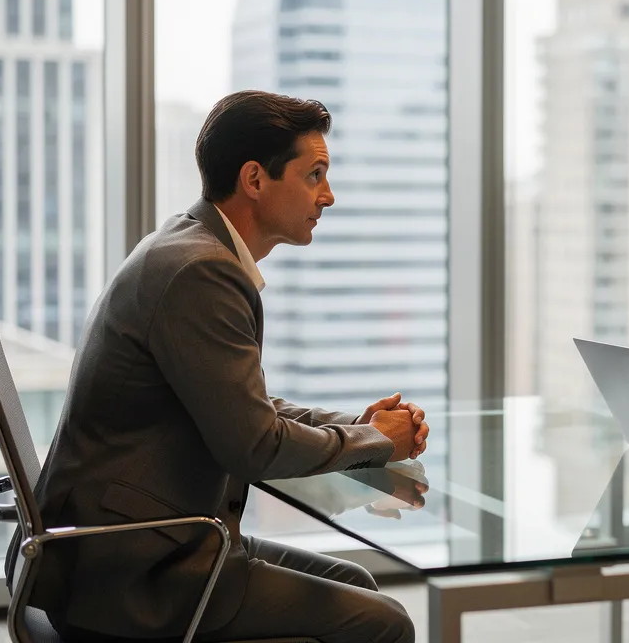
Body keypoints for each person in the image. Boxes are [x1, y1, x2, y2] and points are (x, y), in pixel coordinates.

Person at [22, 91, 425, 643]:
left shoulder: (190, 244)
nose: (328, 196)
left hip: (141, 541)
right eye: (314, 175)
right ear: (255, 179)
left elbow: (241, 408)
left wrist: (361, 426)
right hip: (134, 571)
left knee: (355, 580)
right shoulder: (201, 273)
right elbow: (254, 446)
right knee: (387, 624)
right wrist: (376, 443)